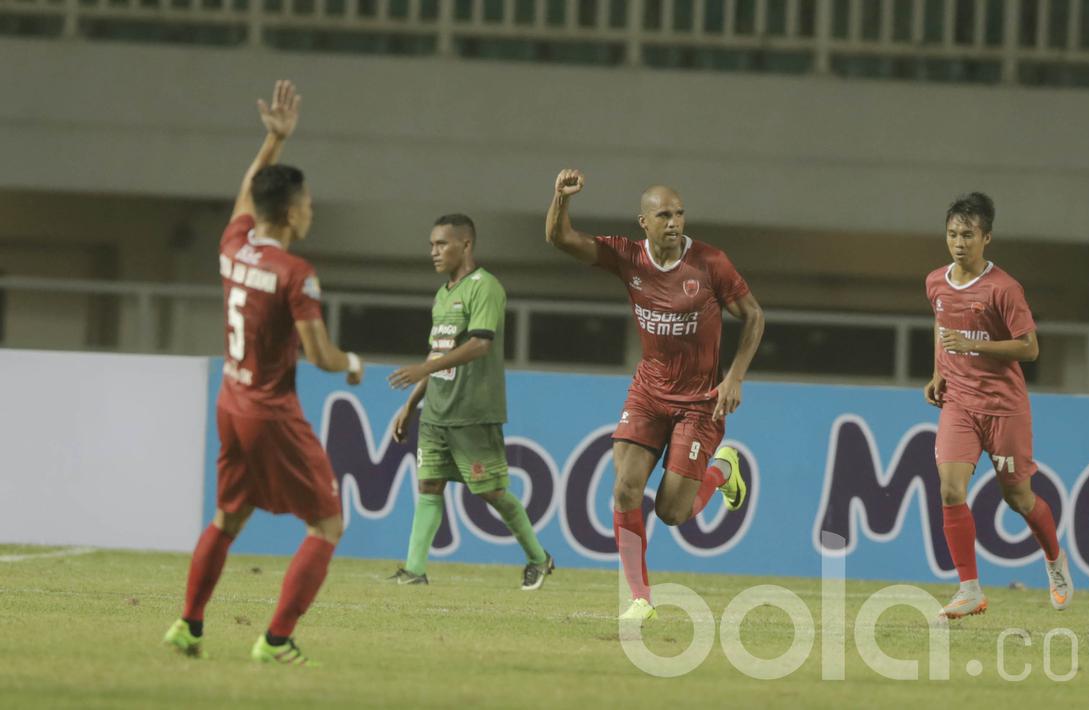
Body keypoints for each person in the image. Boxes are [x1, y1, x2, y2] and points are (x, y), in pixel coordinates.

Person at [163, 80, 364, 665]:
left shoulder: (234, 245)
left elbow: (244, 197)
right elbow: (321, 355)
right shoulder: (294, 271)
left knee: (229, 517)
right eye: (307, 202)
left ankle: (189, 627)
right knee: (328, 525)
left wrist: (271, 143)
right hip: (272, 413)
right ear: (290, 210)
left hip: (230, 399)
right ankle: (275, 640)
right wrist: (352, 364)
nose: (311, 209)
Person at [545, 169, 764, 620]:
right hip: (648, 392)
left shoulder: (710, 263)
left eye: (679, 213)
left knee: (670, 512)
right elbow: (560, 238)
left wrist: (736, 377)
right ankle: (640, 597)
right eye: (663, 214)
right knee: (625, 488)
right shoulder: (627, 257)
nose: (674, 222)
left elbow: (754, 316)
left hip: (700, 403)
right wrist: (561, 200)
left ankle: (723, 471)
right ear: (643, 222)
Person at [924, 192, 1072, 619]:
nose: (958, 242)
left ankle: (1054, 561)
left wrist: (974, 343)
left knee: (1019, 498)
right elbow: (941, 323)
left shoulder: (1004, 289)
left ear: (986, 238)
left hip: (1004, 407)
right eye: (952, 233)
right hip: (959, 403)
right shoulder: (935, 281)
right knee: (950, 489)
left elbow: (1030, 348)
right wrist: (938, 372)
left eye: (968, 235)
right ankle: (969, 589)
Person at [387, 214, 554, 590]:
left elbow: (481, 344)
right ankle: (414, 570)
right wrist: (412, 404)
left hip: (473, 410)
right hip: (437, 412)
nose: (434, 252)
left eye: (441, 244)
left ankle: (539, 558)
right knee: (428, 486)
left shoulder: (486, 287)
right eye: (431, 244)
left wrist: (419, 371)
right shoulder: (443, 295)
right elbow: (437, 354)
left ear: (465, 245)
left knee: (491, 491)